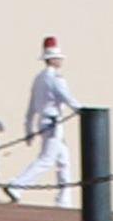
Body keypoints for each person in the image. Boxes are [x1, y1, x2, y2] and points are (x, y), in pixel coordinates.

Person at [17, 36, 82, 203]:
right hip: (53, 123)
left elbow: (31, 107)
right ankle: (18, 185)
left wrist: (28, 128)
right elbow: (68, 97)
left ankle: (64, 199)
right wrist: (83, 111)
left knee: (63, 160)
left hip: (46, 121)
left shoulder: (39, 78)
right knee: (46, 159)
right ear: (52, 59)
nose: (60, 61)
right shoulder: (55, 79)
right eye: (58, 58)